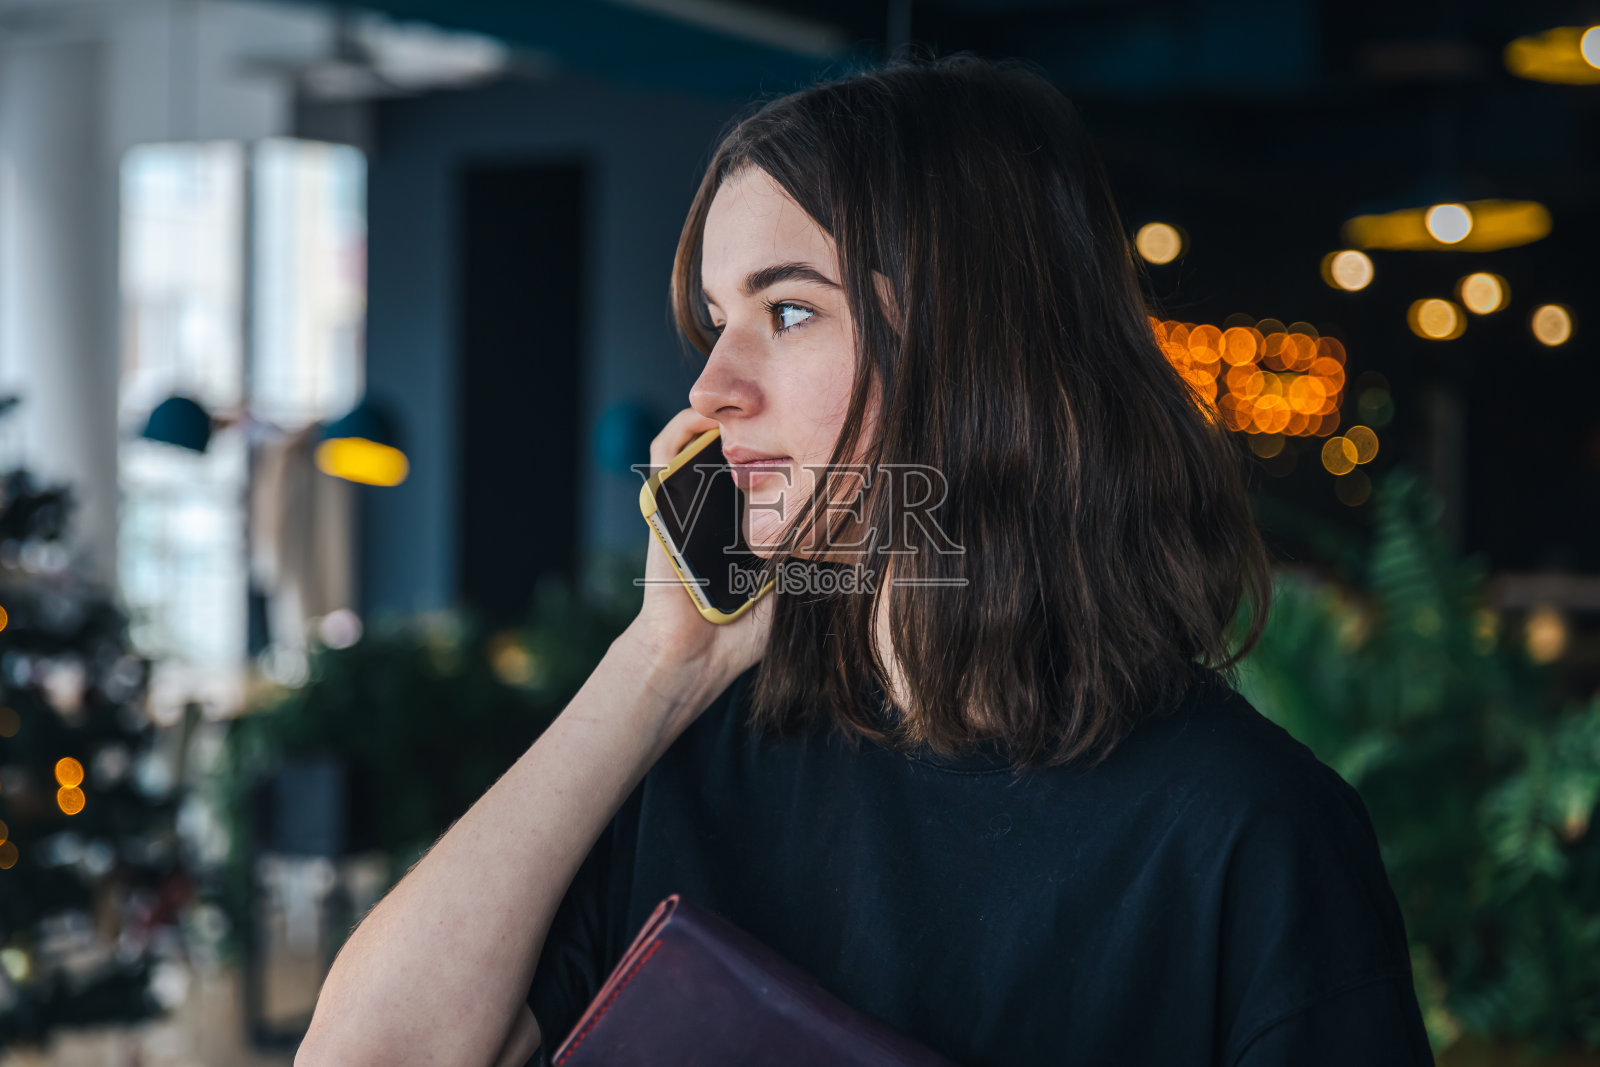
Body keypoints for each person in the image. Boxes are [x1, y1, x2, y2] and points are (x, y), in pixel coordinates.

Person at [296, 52, 1436, 1067]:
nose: (710, 388)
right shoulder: (695, 763)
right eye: (713, 320)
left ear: (972, 351)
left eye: (787, 313)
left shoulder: (1251, 836)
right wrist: (658, 664)